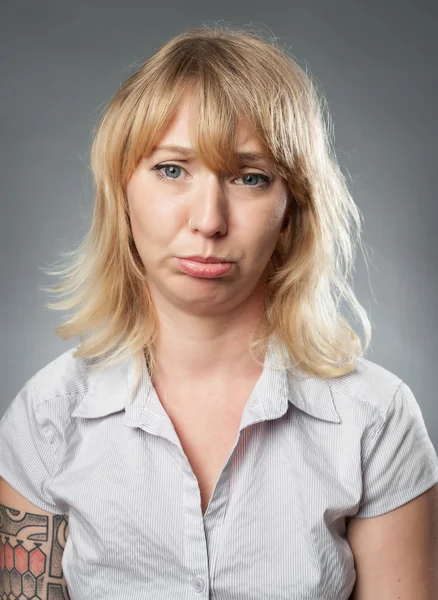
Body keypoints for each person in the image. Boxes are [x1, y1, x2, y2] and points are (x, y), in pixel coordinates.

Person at [0, 24, 437, 600]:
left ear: (293, 208)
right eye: (172, 169)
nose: (209, 220)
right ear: (121, 192)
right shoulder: (48, 418)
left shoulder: (375, 420)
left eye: (249, 177)